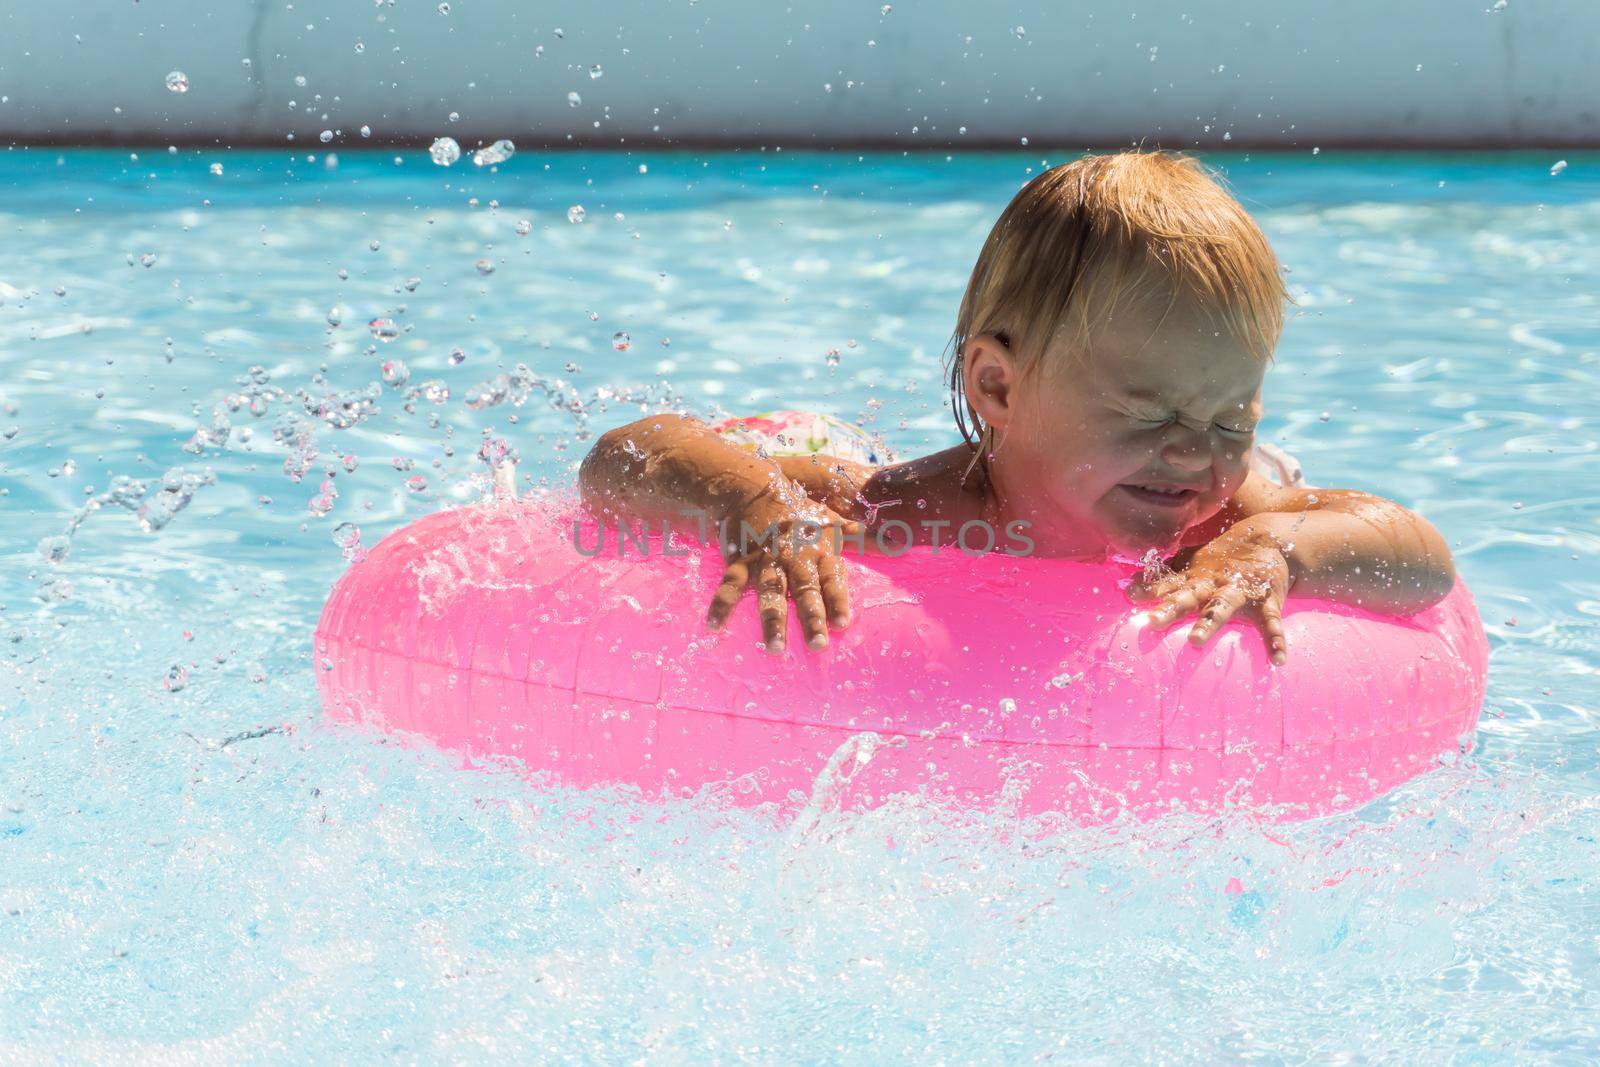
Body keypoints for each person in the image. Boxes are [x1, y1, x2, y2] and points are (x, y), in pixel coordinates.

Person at [578, 151, 1455, 661]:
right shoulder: (917, 509)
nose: (1193, 456)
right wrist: (754, 504)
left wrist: (1280, 546)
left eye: (1231, 419)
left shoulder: (1224, 515)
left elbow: (1420, 559)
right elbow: (621, 457)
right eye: (1151, 415)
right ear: (999, 387)